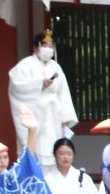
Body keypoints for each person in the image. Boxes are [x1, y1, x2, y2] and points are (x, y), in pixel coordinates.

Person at [6, 28, 77, 167]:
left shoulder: (56, 67)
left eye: (51, 46)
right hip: (36, 112)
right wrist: (39, 84)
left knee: (53, 148)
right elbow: (16, 86)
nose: (48, 48)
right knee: (36, 150)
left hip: (53, 114)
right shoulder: (25, 65)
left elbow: (63, 94)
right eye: (45, 45)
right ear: (36, 46)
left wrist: (65, 118)